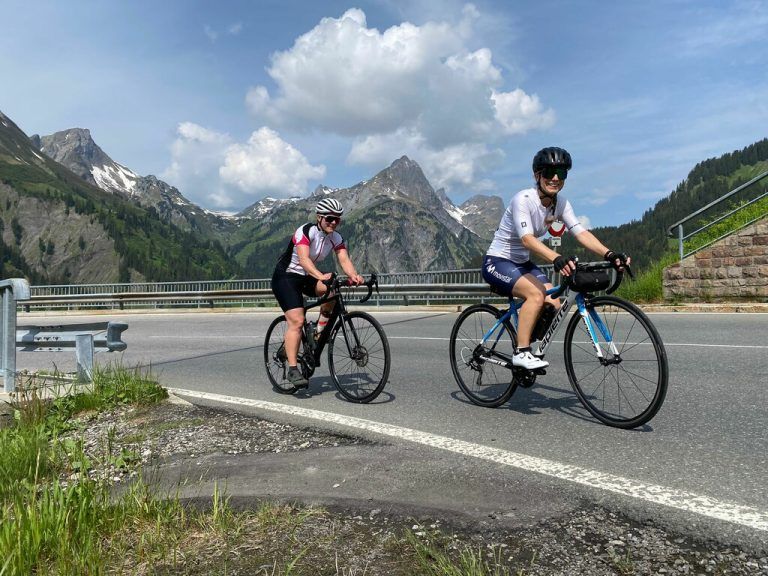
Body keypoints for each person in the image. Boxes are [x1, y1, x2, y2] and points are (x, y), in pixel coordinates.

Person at [482, 147, 630, 370]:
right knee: (536, 294)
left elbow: (580, 232)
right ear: (537, 175)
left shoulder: (560, 204)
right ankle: (521, 352)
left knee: (553, 301)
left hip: (522, 264)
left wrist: (609, 254)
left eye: (561, 173)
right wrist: (556, 257)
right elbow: (527, 240)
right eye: (549, 172)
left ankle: (528, 340)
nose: (555, 178)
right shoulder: (523, 199)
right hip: (498, 261)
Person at [271, 198, 364, 387]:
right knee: (297, 321)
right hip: (286, 278)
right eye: (330, 219)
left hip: (307, 277)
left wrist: (354, 275)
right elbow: (304, 259)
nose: (334, 223)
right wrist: (321, 276)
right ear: (319, 217)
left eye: (338, 220)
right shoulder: (306, 231)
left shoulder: (336, 238)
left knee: (334, 287)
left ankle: (318, 332)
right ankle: (293, 369)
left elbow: (344, 259)